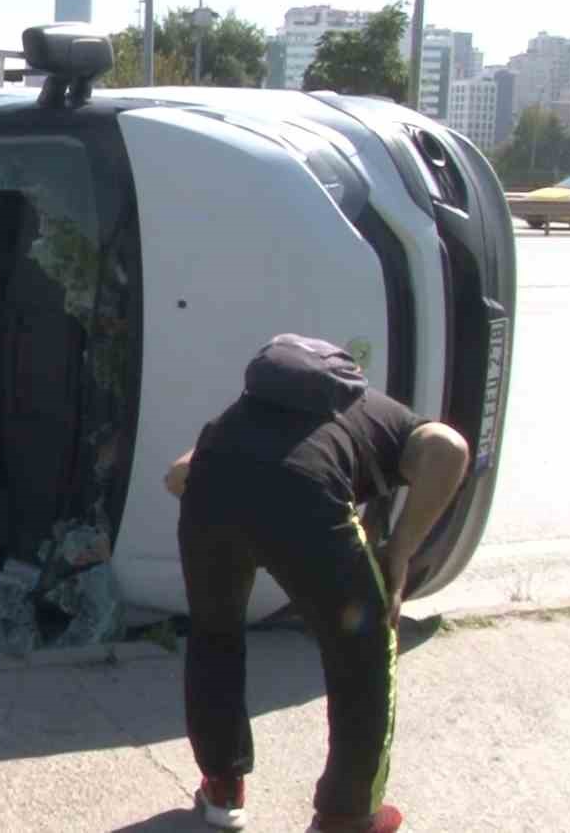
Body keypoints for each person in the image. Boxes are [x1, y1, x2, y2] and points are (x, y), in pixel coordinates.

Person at [163, 334, 470, 833]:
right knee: (364, 650)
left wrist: (242, 527)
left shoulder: (244, 413)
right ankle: (347, 817)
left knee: (214, 637)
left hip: (211, 489)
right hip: (305, 498)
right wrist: (399, 554)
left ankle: (221, 791)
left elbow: (178, 476)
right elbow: (449, 449)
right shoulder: (388, 421)